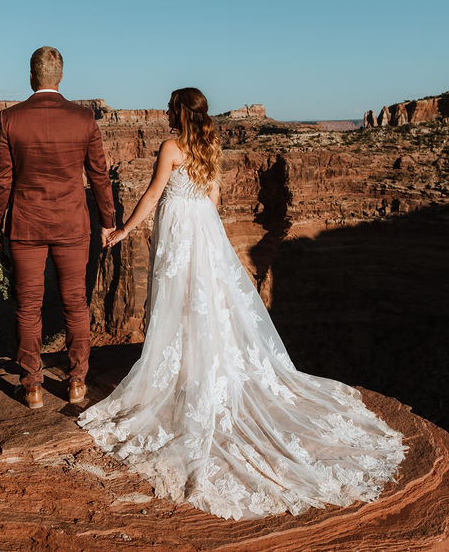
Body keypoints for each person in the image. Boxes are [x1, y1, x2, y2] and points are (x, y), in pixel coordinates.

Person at [77, 87, 407, 520]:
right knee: (206, 303)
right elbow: (214, 200)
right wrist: (202, 225)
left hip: (180, 231)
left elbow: (154, 194)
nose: (165, 111)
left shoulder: (171, 146)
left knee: (179, 304)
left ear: (178, 111)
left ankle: (184, 377)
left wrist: (122, 231)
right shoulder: (209, 145)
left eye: (169, 106)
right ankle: (201, 371)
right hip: (203, 230)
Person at [0, 46, 115, 409]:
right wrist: (108, 221)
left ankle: (32, 387)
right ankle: (76, 383)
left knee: (28, 307)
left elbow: (1, 181)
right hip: (72, 225)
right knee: (76, 303)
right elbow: (99, 175)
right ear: (60, 78)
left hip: (26, 226)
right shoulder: (84, 118)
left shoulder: (10, 119)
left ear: (31, 76)